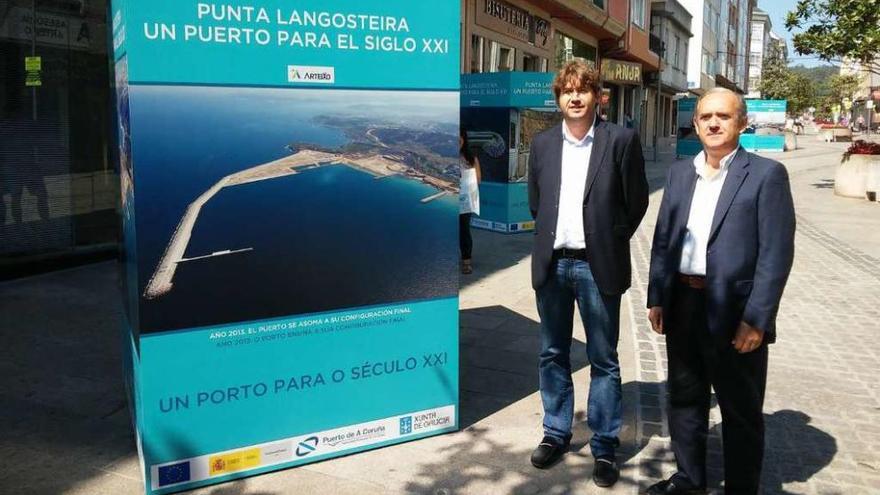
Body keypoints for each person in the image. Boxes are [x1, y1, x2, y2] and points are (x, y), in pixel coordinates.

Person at [645, 87, 795, 495]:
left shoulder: (766, 175)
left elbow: (776, 254)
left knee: (740, 411)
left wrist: (757, 319)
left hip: (735, 310)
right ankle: (689, 479)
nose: (713, 123)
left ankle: (742, 488)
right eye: (706, 116)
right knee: (685, 399)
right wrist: (657, 295)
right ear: (695, 123)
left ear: (742, 123)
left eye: (724, 116)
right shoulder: (679, 173)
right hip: (684, 303)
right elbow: (664, 239)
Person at [527, 59, 648, 488]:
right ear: (558, 97)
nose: (575, 97)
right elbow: (536, 203)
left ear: (598, 96)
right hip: (554, 262)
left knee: (604, 357)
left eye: (583, 90)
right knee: (552, 353)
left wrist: (610, 239)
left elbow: (637, 202)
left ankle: (604, 445)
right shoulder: (542, 144)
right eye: (567, 91)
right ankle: (556, 433)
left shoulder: (620, 140)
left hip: (599, 266)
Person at [459, 129, 481, 275]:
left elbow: (478, 179)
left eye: (459, 137)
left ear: (464, 139)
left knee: (463, 230)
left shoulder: (471, 158)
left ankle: (466, 261)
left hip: (464, 201)